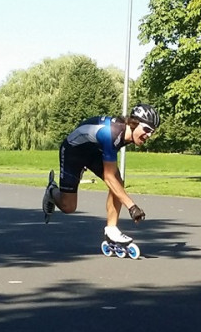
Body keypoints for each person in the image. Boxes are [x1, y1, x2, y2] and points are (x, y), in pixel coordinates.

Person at [42, 104, 160, 245]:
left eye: (152, 132)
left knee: (118, 182)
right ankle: (51, 191)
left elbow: (112, 178)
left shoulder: (125, 133)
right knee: (69, 207)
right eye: (147, 130)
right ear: (134, 123)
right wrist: (132, 207)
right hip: (73, 151)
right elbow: (109, 177)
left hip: (94, 152)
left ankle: (112, 229)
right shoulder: (112, 133)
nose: (149, 135)